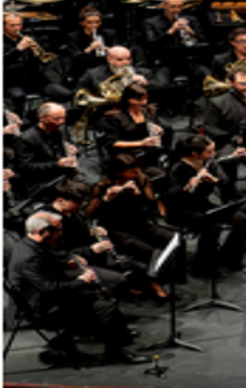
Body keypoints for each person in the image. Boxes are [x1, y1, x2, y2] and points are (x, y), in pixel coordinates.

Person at [8, 211, 149, 365]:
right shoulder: (29, 257)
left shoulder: (30, 243)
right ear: (42, 232)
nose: (61, 234)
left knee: (100, 294)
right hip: (43, 308)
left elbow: (51, 258)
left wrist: (69, 260)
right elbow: (51, 288)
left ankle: (112, 334)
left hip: (44, 296)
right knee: (105, 305)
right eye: (58, 231)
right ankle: (115, 351)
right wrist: (83, 280)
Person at [165, 135, 246, 275]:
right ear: (195, 154)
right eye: (210, 151)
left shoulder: (210, 163)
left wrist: (215, 181)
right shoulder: (177, 168)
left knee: (244, 220)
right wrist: (186, 188)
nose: (214, 154)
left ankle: (228, 257)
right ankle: (203, 267)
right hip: (182, 208)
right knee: (212, 227)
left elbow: (226, 183)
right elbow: (170, 196)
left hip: (203, 204)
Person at [85, 154, 173, 267]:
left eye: (138, 169)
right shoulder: (101, 186)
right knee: (149, 251)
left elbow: (153, 206)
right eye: (132, 171)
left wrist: (138, 195)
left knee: (173, 239)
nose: (137, 173)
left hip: (140, 222)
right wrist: (106, 199)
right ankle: (151, 278)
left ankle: (174, 277)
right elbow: (89, 213)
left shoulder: (142, 179)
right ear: (119, 172)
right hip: (116, 228)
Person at [101, 83, 170, 178]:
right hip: (128, 155)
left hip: (149, 153)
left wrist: (160, 132)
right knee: (160, 175)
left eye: (145, 99)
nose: (144, 103)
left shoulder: (148, 111)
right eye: (140, 100)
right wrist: (141, 143)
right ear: (129, 99)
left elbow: (159, 134)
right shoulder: (116, 118)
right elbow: (112, 143)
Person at [3, 13, 71, 107]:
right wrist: (17, 50)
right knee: (18, 97)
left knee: (65, 94)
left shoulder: (28, 39)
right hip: (12, 81)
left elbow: (40, 61)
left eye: (19, 25)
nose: (16, 28)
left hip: (35, 80)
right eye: (12, 25)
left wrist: (37, 53)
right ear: (3, 26)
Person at [17, 102, 79, 193]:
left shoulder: (58, 129)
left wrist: (74, 150)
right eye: (57, 119)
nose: (62, 122)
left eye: (64, 118)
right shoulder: (26, 139)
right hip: (42, 179)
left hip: (62, 171)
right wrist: (57, 164)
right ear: (42, 118)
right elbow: (26, 167)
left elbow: (66, 146)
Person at [64, 6, 119, 83]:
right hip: (83, 68)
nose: (94, 25)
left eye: (97, 22)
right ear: (82, 23)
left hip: (104, 66)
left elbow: (118, 53)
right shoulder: (73, 36)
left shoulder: (110, 34)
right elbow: (75, 57)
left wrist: (105, 48)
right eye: (89, 22)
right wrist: (89, 48)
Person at [76, 46, 150, 96]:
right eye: (120, 59)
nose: (126, 62)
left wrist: (146, 84)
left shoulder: (142, 73)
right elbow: (79, 94)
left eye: (128, 59)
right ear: (109, 59)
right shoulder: (92, 74)